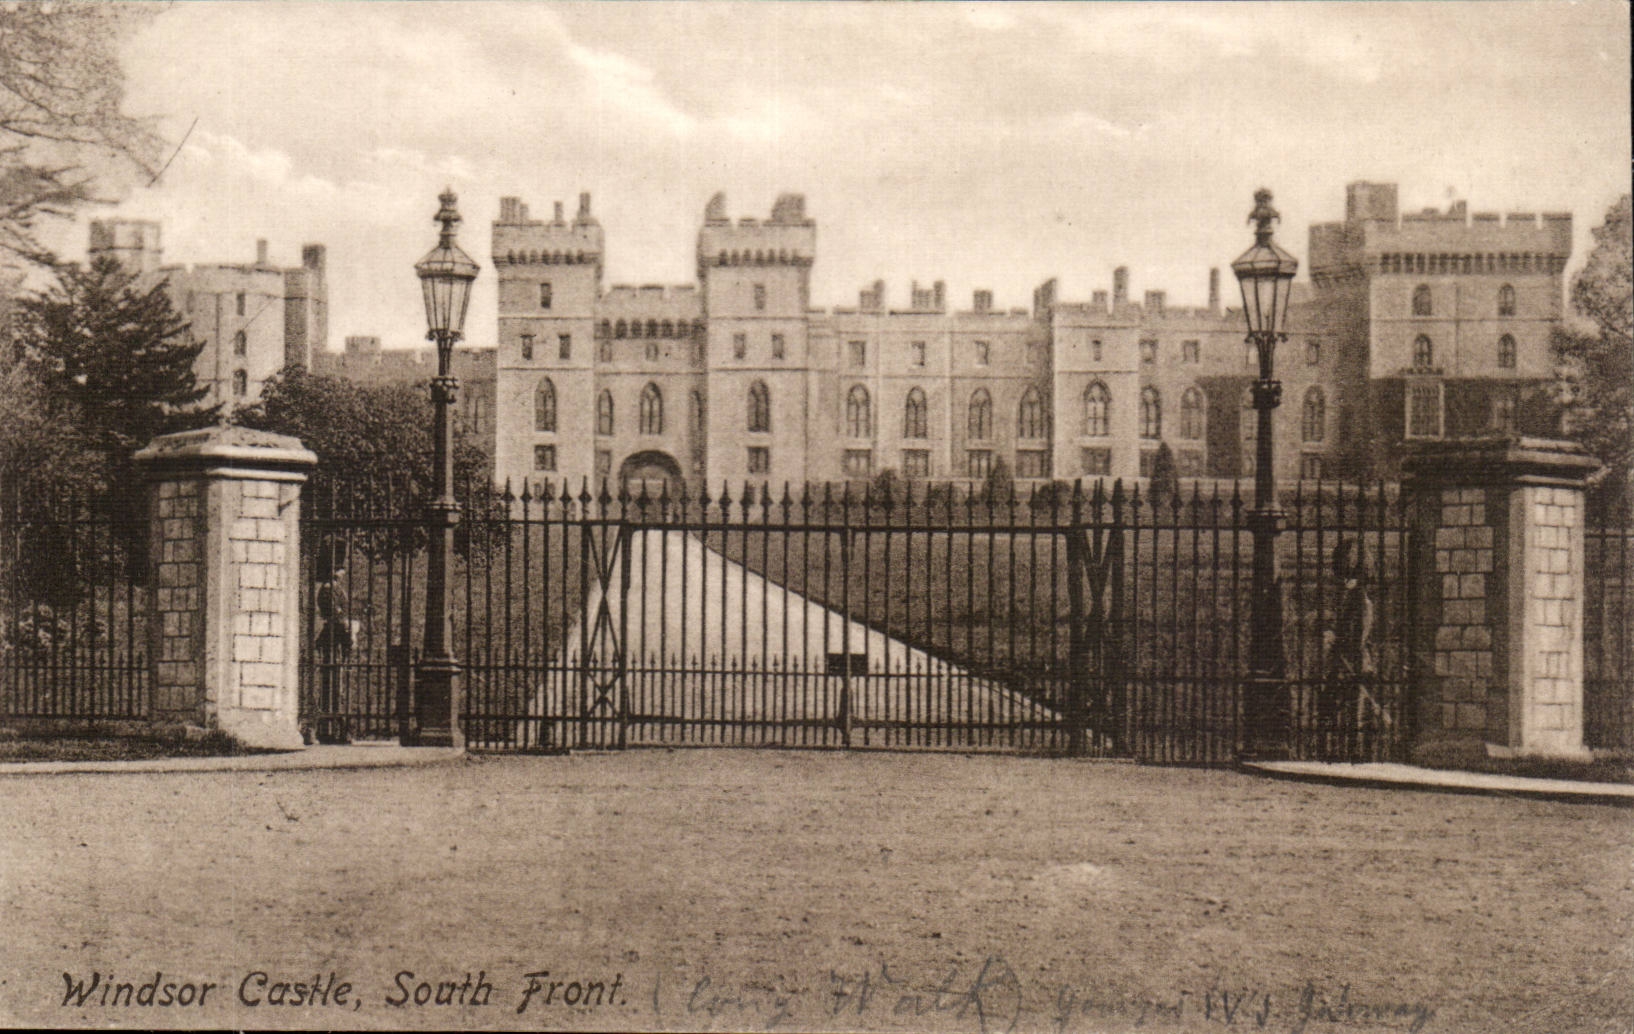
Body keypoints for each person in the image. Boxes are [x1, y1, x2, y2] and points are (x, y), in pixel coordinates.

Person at [1320, 539, 1374, 758]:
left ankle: (1355, 755)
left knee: (1354, 714)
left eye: (1349, 575)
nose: (1344, 580)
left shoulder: (1361, 599)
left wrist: (1334, 638)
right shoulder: (1347, 597)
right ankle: (1337, 753)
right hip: (1343, 662)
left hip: (1354, 663)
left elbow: (1358, 637)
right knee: (1335, 709)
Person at [314, 542, 354, 744]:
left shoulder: (334, 589)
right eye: (340, 568)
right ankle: (329, 729)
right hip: (333, 640)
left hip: (336, 639)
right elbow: (336, 618)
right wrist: (348, 633)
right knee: (332, 685)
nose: (343, 572)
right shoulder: (329, 590)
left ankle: (333, 728)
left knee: (336, 685)